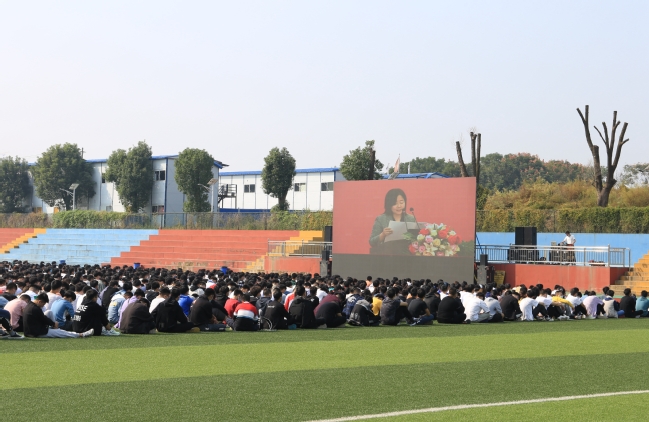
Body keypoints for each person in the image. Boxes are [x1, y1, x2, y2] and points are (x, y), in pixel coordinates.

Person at [24, 293, 93, 338]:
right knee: (60, 332)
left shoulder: (30, 305)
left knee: (49, 312)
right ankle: (81, 334)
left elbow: (43, 317)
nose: (43, 306)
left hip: (30, 330)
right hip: (36, 333)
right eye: (43, 304)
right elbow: (43, 319)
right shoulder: (35, 308)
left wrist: (53, 323)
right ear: (39, 301)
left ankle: (55, 328)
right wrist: (53, 323)